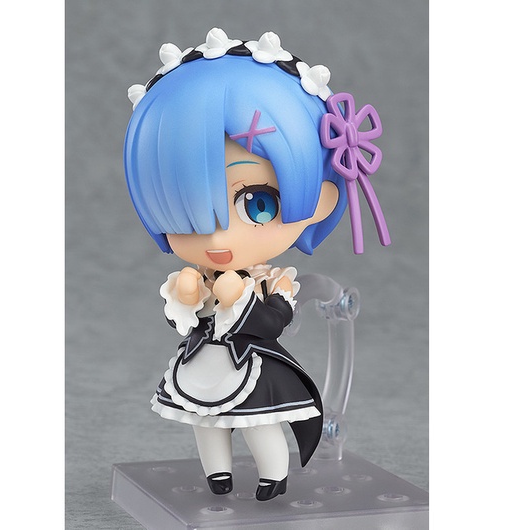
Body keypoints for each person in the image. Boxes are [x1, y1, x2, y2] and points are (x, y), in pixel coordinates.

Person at [124, 28, 390, 501]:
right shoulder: (199, 274)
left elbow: (276, 321)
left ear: (322, 198)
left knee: (259, 423)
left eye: (257, 204)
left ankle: (273, 475)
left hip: (253, 365)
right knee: (204, 422)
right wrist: (187, 298)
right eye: (184, 210)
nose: (217, 237)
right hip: (203, 363)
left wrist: (241, 301)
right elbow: (184, 321)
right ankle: (218, 475)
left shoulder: (273, 281)